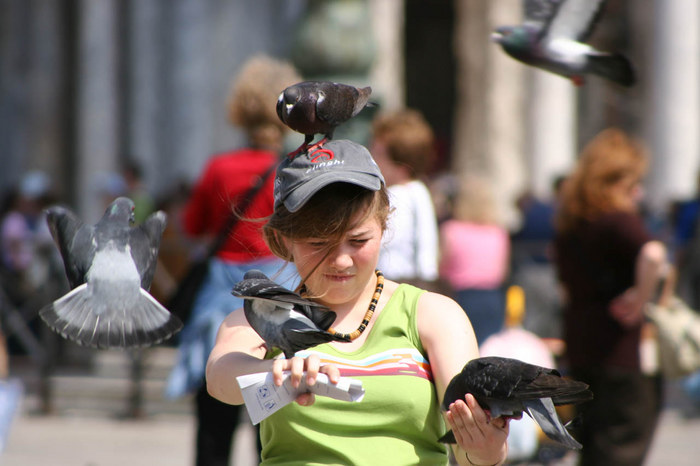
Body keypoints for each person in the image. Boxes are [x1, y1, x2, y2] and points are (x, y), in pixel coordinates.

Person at [205, 139, 510, 466]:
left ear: (384, 226)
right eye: (318, 243)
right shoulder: (262, 313)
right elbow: (221, 377)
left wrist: (485, 448)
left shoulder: (434, 314)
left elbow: (468, 453)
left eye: (358, 240)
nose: (341, 260)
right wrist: (275, 370)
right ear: (283, 240)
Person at [164, 56, 301, 466]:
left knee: (214, 417)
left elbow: (195, 226)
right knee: (271, 420)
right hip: (280, 288)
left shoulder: (219, 168)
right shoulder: (295, 170)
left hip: (222, 294)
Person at [553, 128, 666, 466]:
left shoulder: (570, 223)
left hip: (581, 344)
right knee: (623, 444)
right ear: (615, 181)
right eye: (633, 183)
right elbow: (654, 255)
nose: (638, 192)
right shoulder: (618, 220)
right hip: (619, 351)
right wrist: (640, 298)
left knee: (590, 446)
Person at [370, 109, 440, 288]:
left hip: (399, 285)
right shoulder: (418, 191)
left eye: (379, 153)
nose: (373, 159)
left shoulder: (400, 195)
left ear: (400, 161)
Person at [439, 175, 510, 345]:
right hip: (492, 297)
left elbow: (442, 266)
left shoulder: (452, 230)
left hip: (461, 296)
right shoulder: (498, 232)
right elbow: (503, 271)